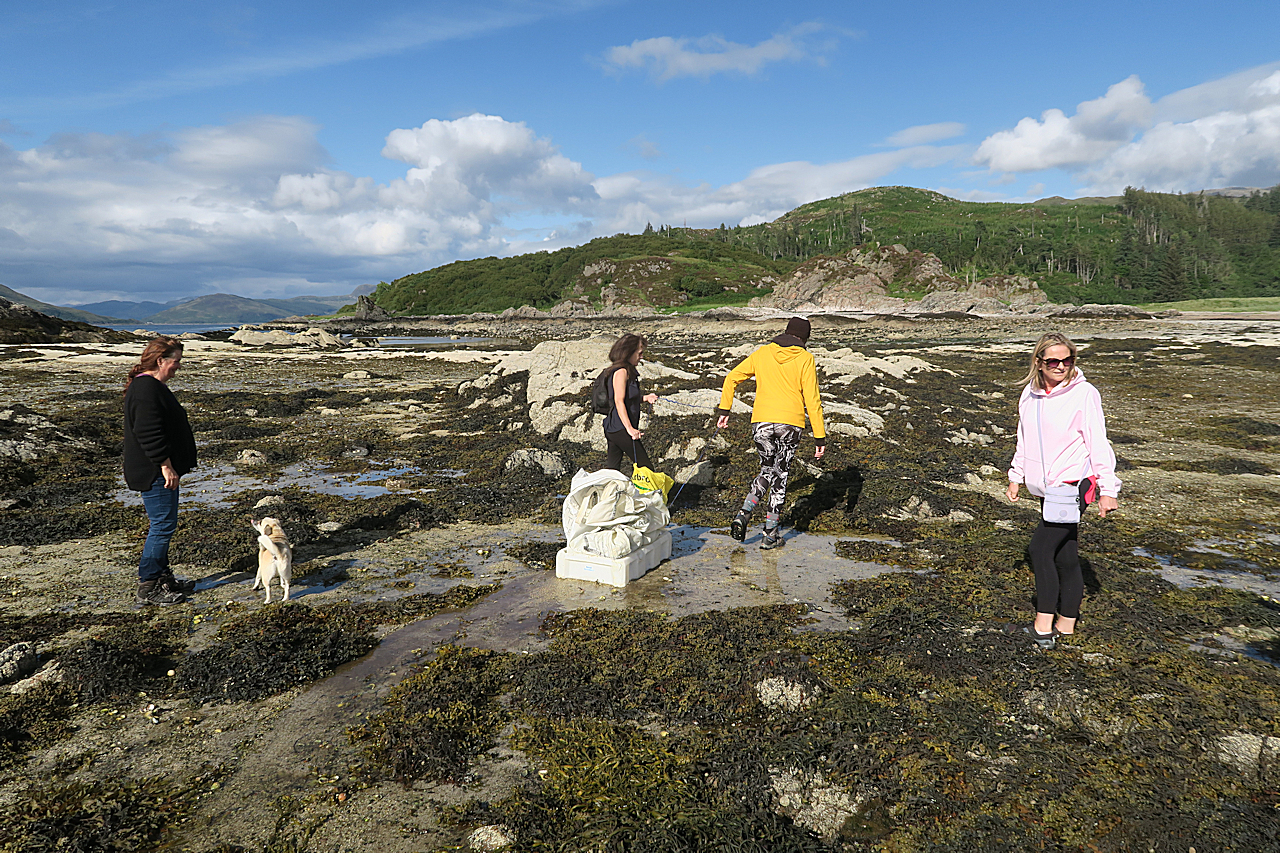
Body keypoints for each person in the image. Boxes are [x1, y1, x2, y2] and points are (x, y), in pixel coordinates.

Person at [1006, 332, 1120, 648]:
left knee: (1040, 550)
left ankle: (1043, 629)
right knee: (1066, 555)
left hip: (1073, 486)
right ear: (1039, 363)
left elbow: (1099, 442)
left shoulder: (1084, 394)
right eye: (1053, 361)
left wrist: (1108, 489)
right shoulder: (1029, 395)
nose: (1061, 366)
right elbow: (1024, 439)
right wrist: (1016, 475)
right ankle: (1066, 627)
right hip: (1046, 489)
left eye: (1067, 360)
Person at [716, 317, 825, 549]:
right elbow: (813, 400)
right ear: (804, 338)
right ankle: (769, 535)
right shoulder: (805, 358)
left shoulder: (763, 353)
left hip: (762, 423)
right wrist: (819, 435)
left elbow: (731, 377)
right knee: (780, 476)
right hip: (790, 424)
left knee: (768, 470)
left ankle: (745, 512)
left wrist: (725, 409)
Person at [123, 336, 197, 606]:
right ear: (160, 360)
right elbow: (148, 433)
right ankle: (149, 585)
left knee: (164, 524)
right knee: (162, 526)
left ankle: (164, 578)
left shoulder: (151, 386)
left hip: (159, 469)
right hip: (154, 471)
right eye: (176, 361)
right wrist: (166, 466)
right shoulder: (146, 389)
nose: (178, 367)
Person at [601, 333, 659, 473]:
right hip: (621, 429)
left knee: (612, 470)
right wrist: (630, 429)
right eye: (639, 353)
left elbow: (628, 397)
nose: (641, 357)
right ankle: (653, 494)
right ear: (628, 352)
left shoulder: (628, 370)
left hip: (615, 428)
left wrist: (645, 398)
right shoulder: (621, 371)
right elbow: (618, 401)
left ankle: (608, 493)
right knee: (646, 469)